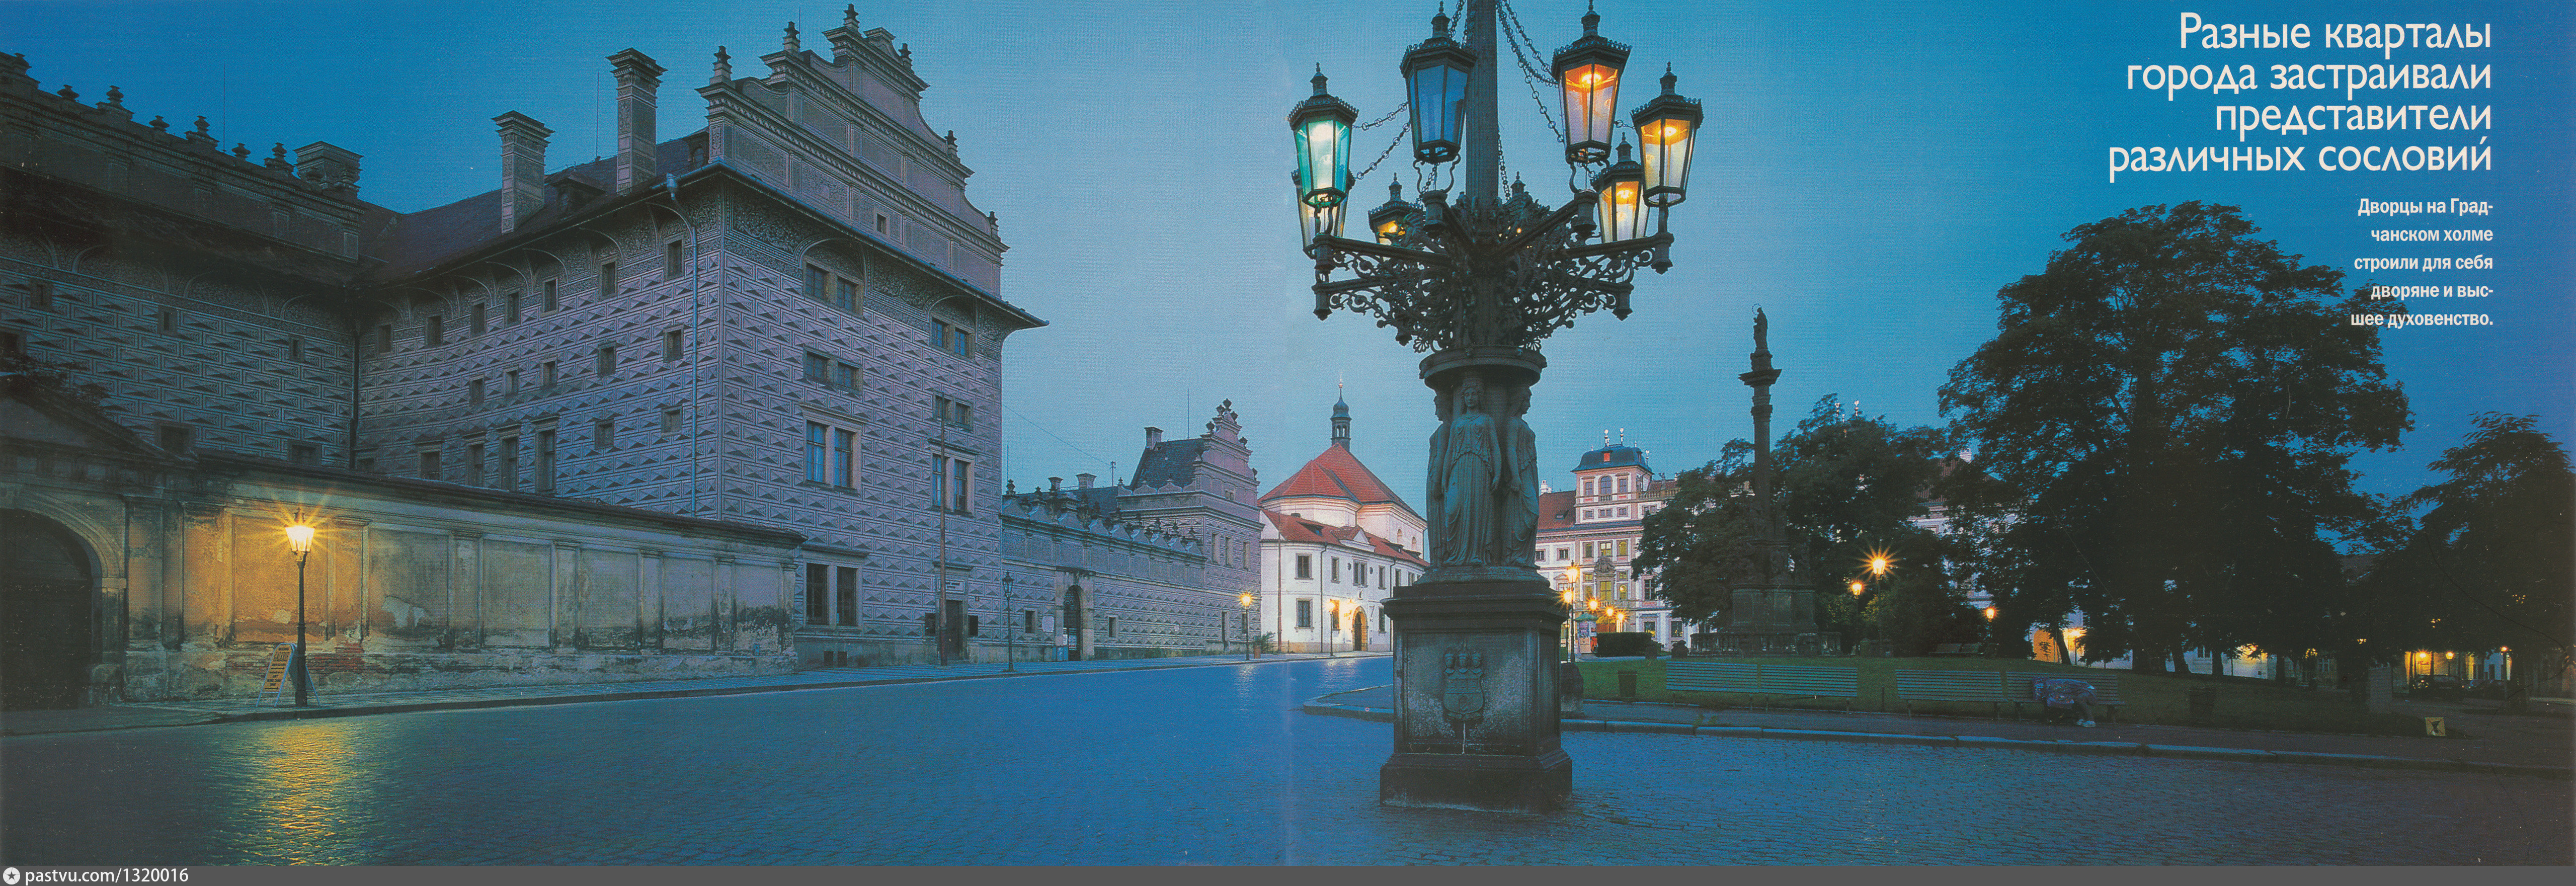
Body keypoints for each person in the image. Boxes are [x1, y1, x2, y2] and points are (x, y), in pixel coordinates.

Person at [2032, 676, 2098, 727]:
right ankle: (2081, 719)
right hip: (2079, 691)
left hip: (2088, 690)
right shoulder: (2053, 685)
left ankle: (2091, 721)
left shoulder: (2057, 685)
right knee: (2073, 700)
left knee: (2079, 699)